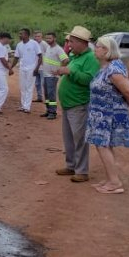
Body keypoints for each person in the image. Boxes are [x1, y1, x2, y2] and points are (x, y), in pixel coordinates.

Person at [86, 35, 129, 194]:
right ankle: (111, 178)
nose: (95, 49)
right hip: (101, 113)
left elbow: (128, 90)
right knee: (104, 144)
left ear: (107, 50)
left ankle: (114, 182)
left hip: (109, 114)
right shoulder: (107, 66)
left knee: (102, 145)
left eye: (98, 46)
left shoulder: (113, 69)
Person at [54, 26, 100, 183]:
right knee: (69, 138)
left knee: (79, 138)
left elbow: (89, 79)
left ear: (82, 42)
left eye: (72, 42)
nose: (69, 45)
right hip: (69, 105)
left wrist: (70, 72)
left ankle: (82, 170)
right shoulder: (76, 56)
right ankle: (71, 165)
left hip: (79, 104)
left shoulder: (91, 58)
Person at [10, 28, 42, 113]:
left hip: (32, 68)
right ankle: (23, 105)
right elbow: (16, 57)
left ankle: (27, 107)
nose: (20, 35)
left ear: (27, 35)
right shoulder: (19, 45)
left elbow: (40, 56)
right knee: (22, 87)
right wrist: (11, 67)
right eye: (19, 34)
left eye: (22, 34)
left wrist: (36, 68)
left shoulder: (34, 43)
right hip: (22, 68)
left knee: (29, 87)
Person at [39, 32, 68, 120]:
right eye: (47, 38)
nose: (48, 40)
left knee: (51, 94)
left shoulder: (58, 49)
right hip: (46, 75)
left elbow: (66, 60)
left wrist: (59, 70)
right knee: (47, 94)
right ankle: (48, 110)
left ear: (54, 38)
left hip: (52, 76)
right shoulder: (48, 48)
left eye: (50, 38)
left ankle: (53, 112)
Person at [33, 31, 47, 102]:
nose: (37, 38)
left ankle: (46, 98)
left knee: (43, 83)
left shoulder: (44, 44)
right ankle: (39, 97)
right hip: (36, 66)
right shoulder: (34, 44)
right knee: (37, 83)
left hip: (43, 66)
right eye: (36, 36)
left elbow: (47, 54)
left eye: (39, 36)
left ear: (42, 37)